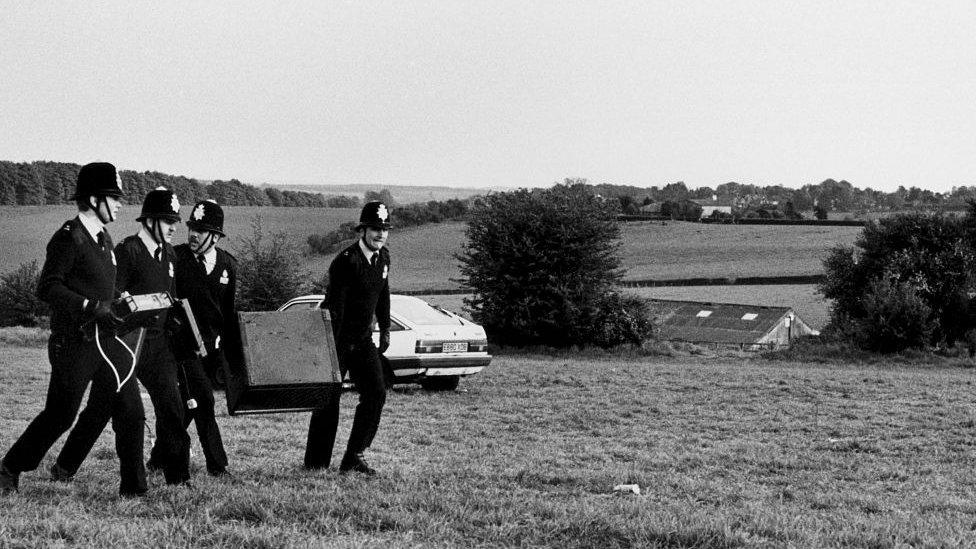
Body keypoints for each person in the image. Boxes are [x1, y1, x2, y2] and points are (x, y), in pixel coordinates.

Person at [0, 162, 148, 497]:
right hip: (74, 343)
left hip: (106, 343)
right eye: (115, 198)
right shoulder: (68, 238)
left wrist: (120, 303)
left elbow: (103, 290)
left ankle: (134, 488)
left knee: (130, 407)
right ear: (95, 199)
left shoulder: (104, 240)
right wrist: (90, 307)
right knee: (61, 414)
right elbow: (48, 287)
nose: (121, 204)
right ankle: (10, 466)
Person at [51, 187, 191, 487]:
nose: (174, 227)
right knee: (100, 410)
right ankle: (64, 466)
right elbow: (110, 296)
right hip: (125, 342)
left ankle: (178, 477)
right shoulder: (128, 251)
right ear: (150, 221)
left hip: (157, 345)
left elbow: (171, 297)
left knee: (172, 406)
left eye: (175, 221)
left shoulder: (170, 255)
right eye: (168, 221)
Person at [148, 199, 238, 477]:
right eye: (192, 228)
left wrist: (230, 355)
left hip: (211, 351)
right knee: (204, 401)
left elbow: (228, 313)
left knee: (186, 407)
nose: (193, 235)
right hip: (181, 348)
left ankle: (158, 458)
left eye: (201, 230)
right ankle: (218, 466)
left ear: (216, 236)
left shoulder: (228, 265)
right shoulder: (175, 258)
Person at [305, 201, 392, 475]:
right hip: (338, 339)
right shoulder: (346, 261)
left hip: (363, 340)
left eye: (385, 229)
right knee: (328, 399)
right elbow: (335, 308)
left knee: (376, 393)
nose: (380, 234)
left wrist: (386, 328)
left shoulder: (383, 258)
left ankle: (354, 457)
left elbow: (383, 294)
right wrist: (333, 349)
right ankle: (316, 462)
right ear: (363, 230)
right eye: (375, 229)